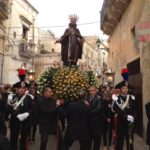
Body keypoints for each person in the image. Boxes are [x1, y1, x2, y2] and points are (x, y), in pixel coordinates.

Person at [7, 81, 33, 150]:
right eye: (20, 88)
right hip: (15, 122)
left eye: (23, 88)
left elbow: (32, 108)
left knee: (23, 140)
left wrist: (27, 113)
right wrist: (17, 115)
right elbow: (9, 109)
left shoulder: (29, 98)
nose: (22, 89)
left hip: (25, 123)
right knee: (13, 139)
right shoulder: (12, 97)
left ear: (25, 89)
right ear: (17, 89)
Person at [112, 81, 136, 150]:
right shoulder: (117, 98)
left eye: (126, 88)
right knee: (120, 140)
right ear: (120, 89)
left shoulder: (132, 98)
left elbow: (135, 109)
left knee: (130, 140)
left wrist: (133, 117)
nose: (125, 89)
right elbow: (115, 109)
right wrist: (125, 117)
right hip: (121, 122)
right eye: (123, 88)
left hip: (130, 122)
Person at [88, 86, 104, 150]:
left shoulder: (99, 98)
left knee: (97, 141)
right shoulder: (87, 98)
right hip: (89, 122)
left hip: (97, 122)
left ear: (96, 91)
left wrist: (87, 110)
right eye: (90, 91)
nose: (91, 92)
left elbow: (97, 110)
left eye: (93, 90)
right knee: (88, 140)